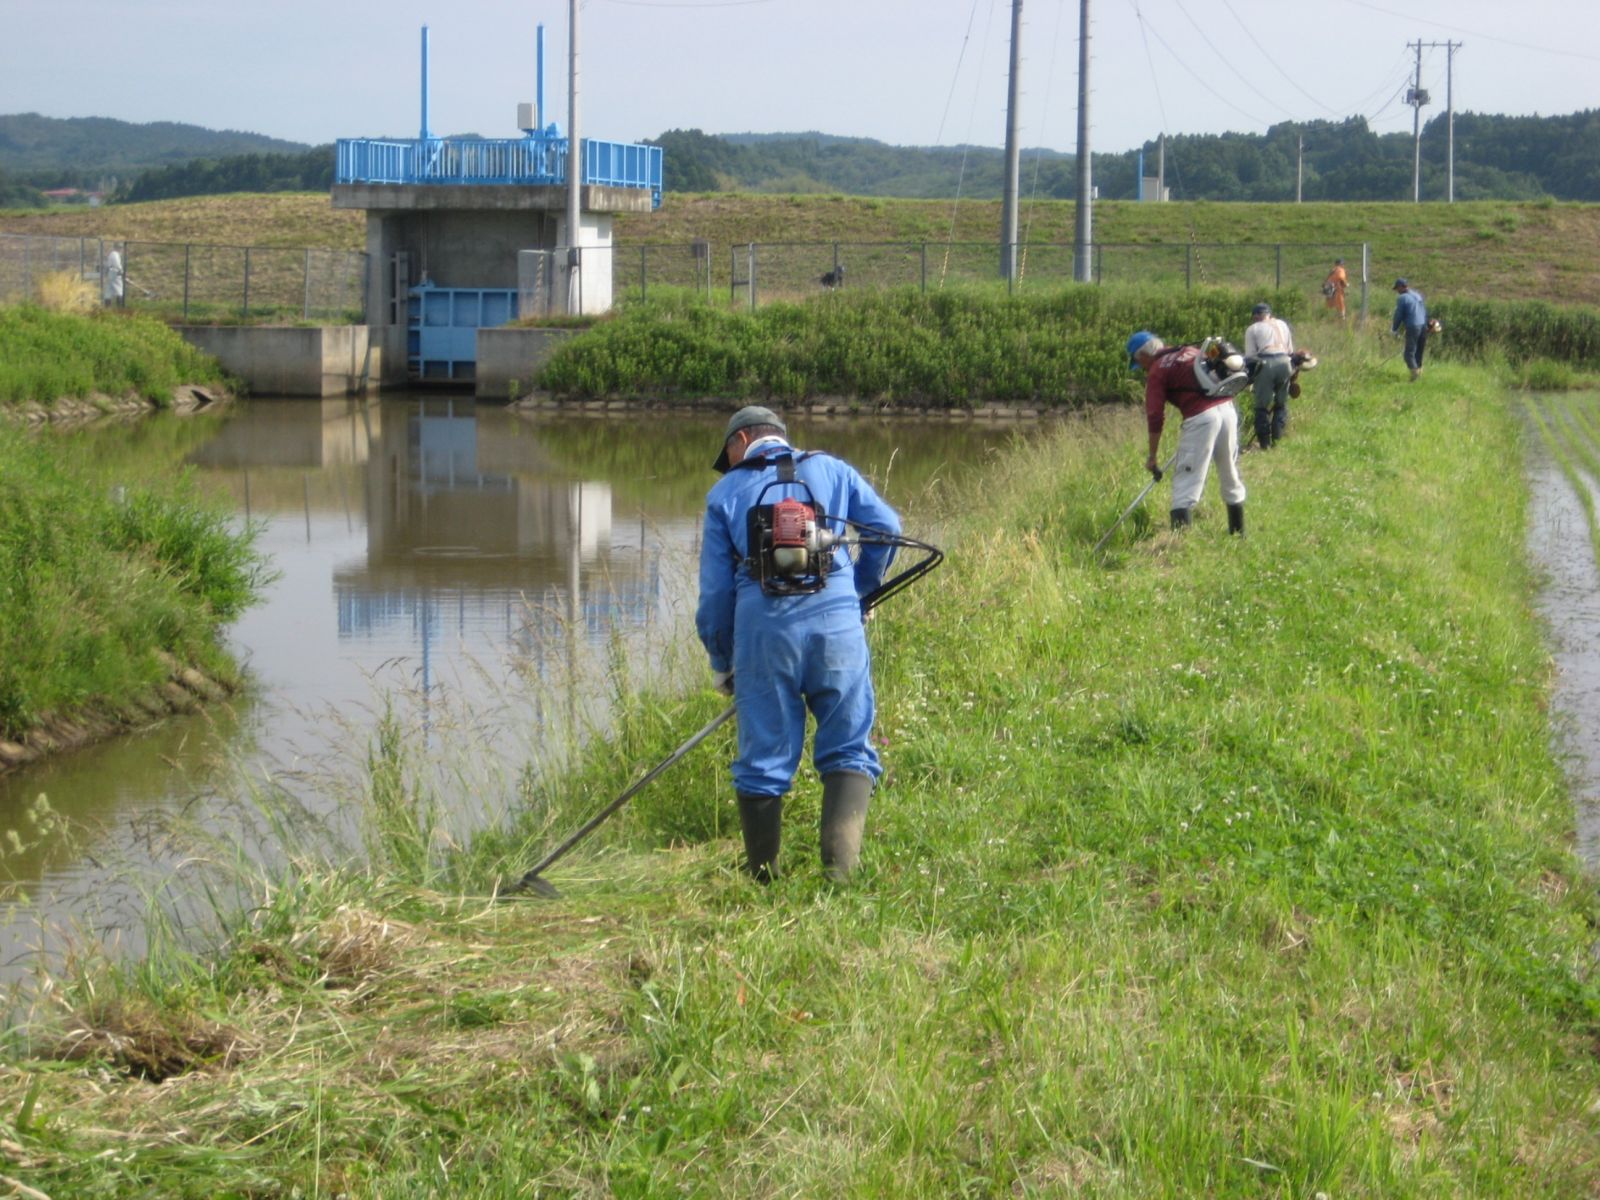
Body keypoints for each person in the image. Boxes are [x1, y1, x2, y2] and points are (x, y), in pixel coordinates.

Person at [696, 405, 901, 884]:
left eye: (729, 453)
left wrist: (722, 662)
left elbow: (716, 598)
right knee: (848, 744)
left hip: (764, 635)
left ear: (741, 439)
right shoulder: (831, 468)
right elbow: (887, 528)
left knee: (764, 757)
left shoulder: (724, 493)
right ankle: (840, 879)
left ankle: (763, 883)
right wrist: (860, 592)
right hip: (838, 627)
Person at [1128, 331, 1247, 536]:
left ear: (1143, 356)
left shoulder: (1157, 370)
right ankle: (1238, 533)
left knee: (1186, 480)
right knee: (1229, 472)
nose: (1143, 369)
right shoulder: (1190, 351)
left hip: (1201, 418)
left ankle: (1179, 544)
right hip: (1227, 409)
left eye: (1140, 364)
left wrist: (1153, 456)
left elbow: (1155, 416)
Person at [1243, 301, 1296, 448]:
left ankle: (1264, 444)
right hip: (1285, 363)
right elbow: (1290, 350)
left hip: (1266, 364)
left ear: (1256, 316)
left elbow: (1250, 357)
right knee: (1281, 404)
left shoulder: (1253, 329)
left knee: (1261, 406)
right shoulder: (1283, 325)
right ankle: (1277, 440)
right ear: (1269, 314)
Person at [1391, 278, 1429, 381]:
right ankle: (1419, 373)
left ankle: (1415, 375)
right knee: (1419, 351)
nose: (1397, 291)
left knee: (1408, 354)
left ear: (1401, 287)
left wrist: (1394, 329)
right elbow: (1424, 311)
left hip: (1413, 326)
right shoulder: (1417, 295)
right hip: (1423, 325)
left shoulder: (1402, 298)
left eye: (1397, 288)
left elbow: (1398, 315)